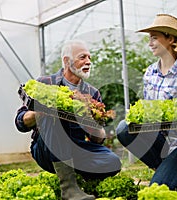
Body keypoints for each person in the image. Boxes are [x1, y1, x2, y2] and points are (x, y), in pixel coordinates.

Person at [116, 14, 177, 193]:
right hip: (166, 142)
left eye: (154, 38)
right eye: (149, 38)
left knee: (159, 189)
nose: (150, 43)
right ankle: (168, 169)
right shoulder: (150, 73)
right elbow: (148, 110)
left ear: (170, 39)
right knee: (125, 128)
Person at [15, 40, 121, 200]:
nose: (88, 61)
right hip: (46, 149)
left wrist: (90, 123)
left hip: (77, 149)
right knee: (54, 111)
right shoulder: (45, 83)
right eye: (82, 57)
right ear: (66, 61)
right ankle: (69, 188)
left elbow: (98, 139)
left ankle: (75, 179)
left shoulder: (92, 93)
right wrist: (41, 113)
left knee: (113, 161)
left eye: (89, 58)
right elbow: (20, 122)